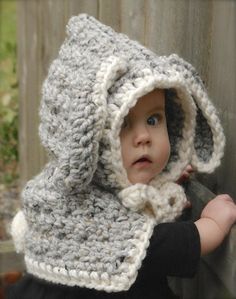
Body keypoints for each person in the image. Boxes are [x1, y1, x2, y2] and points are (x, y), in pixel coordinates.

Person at [7, 14, 236, 299]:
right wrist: (210, 226)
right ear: (92, 145)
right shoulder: (83, 213)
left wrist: (161, 176)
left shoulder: (105, 184)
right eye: (123, 125)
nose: (144, 137)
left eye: (154, 120)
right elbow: (160, 246)